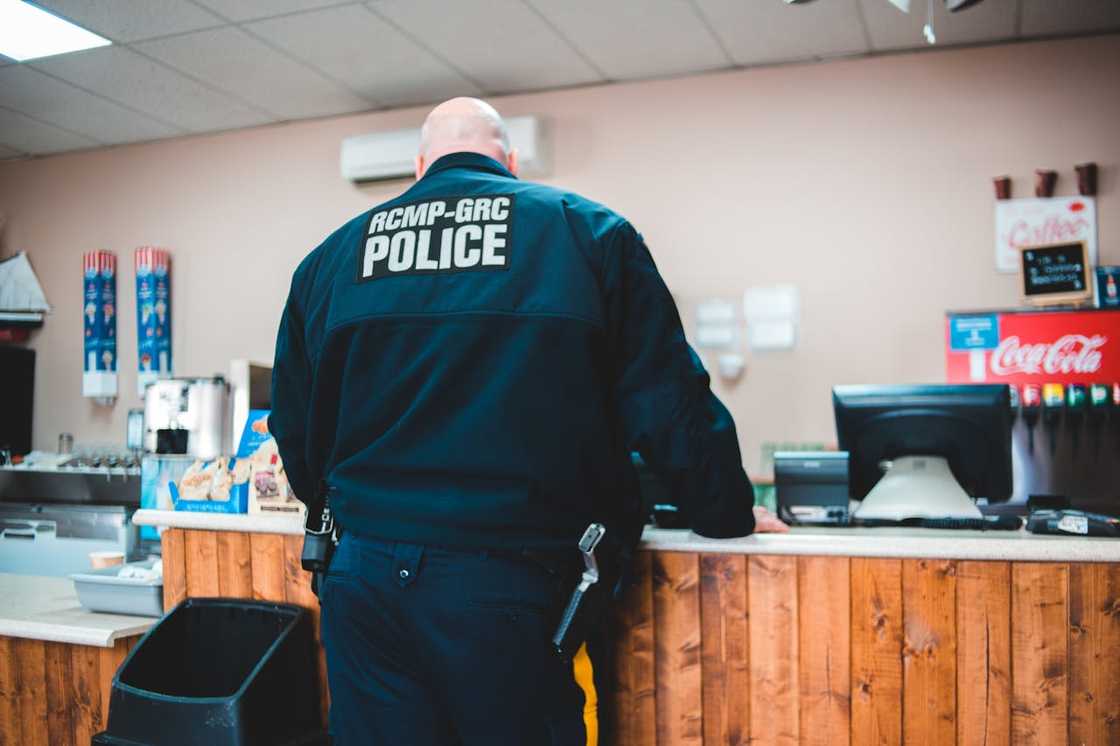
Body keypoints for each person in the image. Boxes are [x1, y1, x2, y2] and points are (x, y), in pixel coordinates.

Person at [270, 97, 787, 746]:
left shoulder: (328, 262)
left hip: (362, 581)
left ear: (418, 166)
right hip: (507, 583)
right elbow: (668, 405)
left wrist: (342, 509)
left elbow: (293, 425)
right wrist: (727, 513)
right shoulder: (587, 234)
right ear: (509, 161)